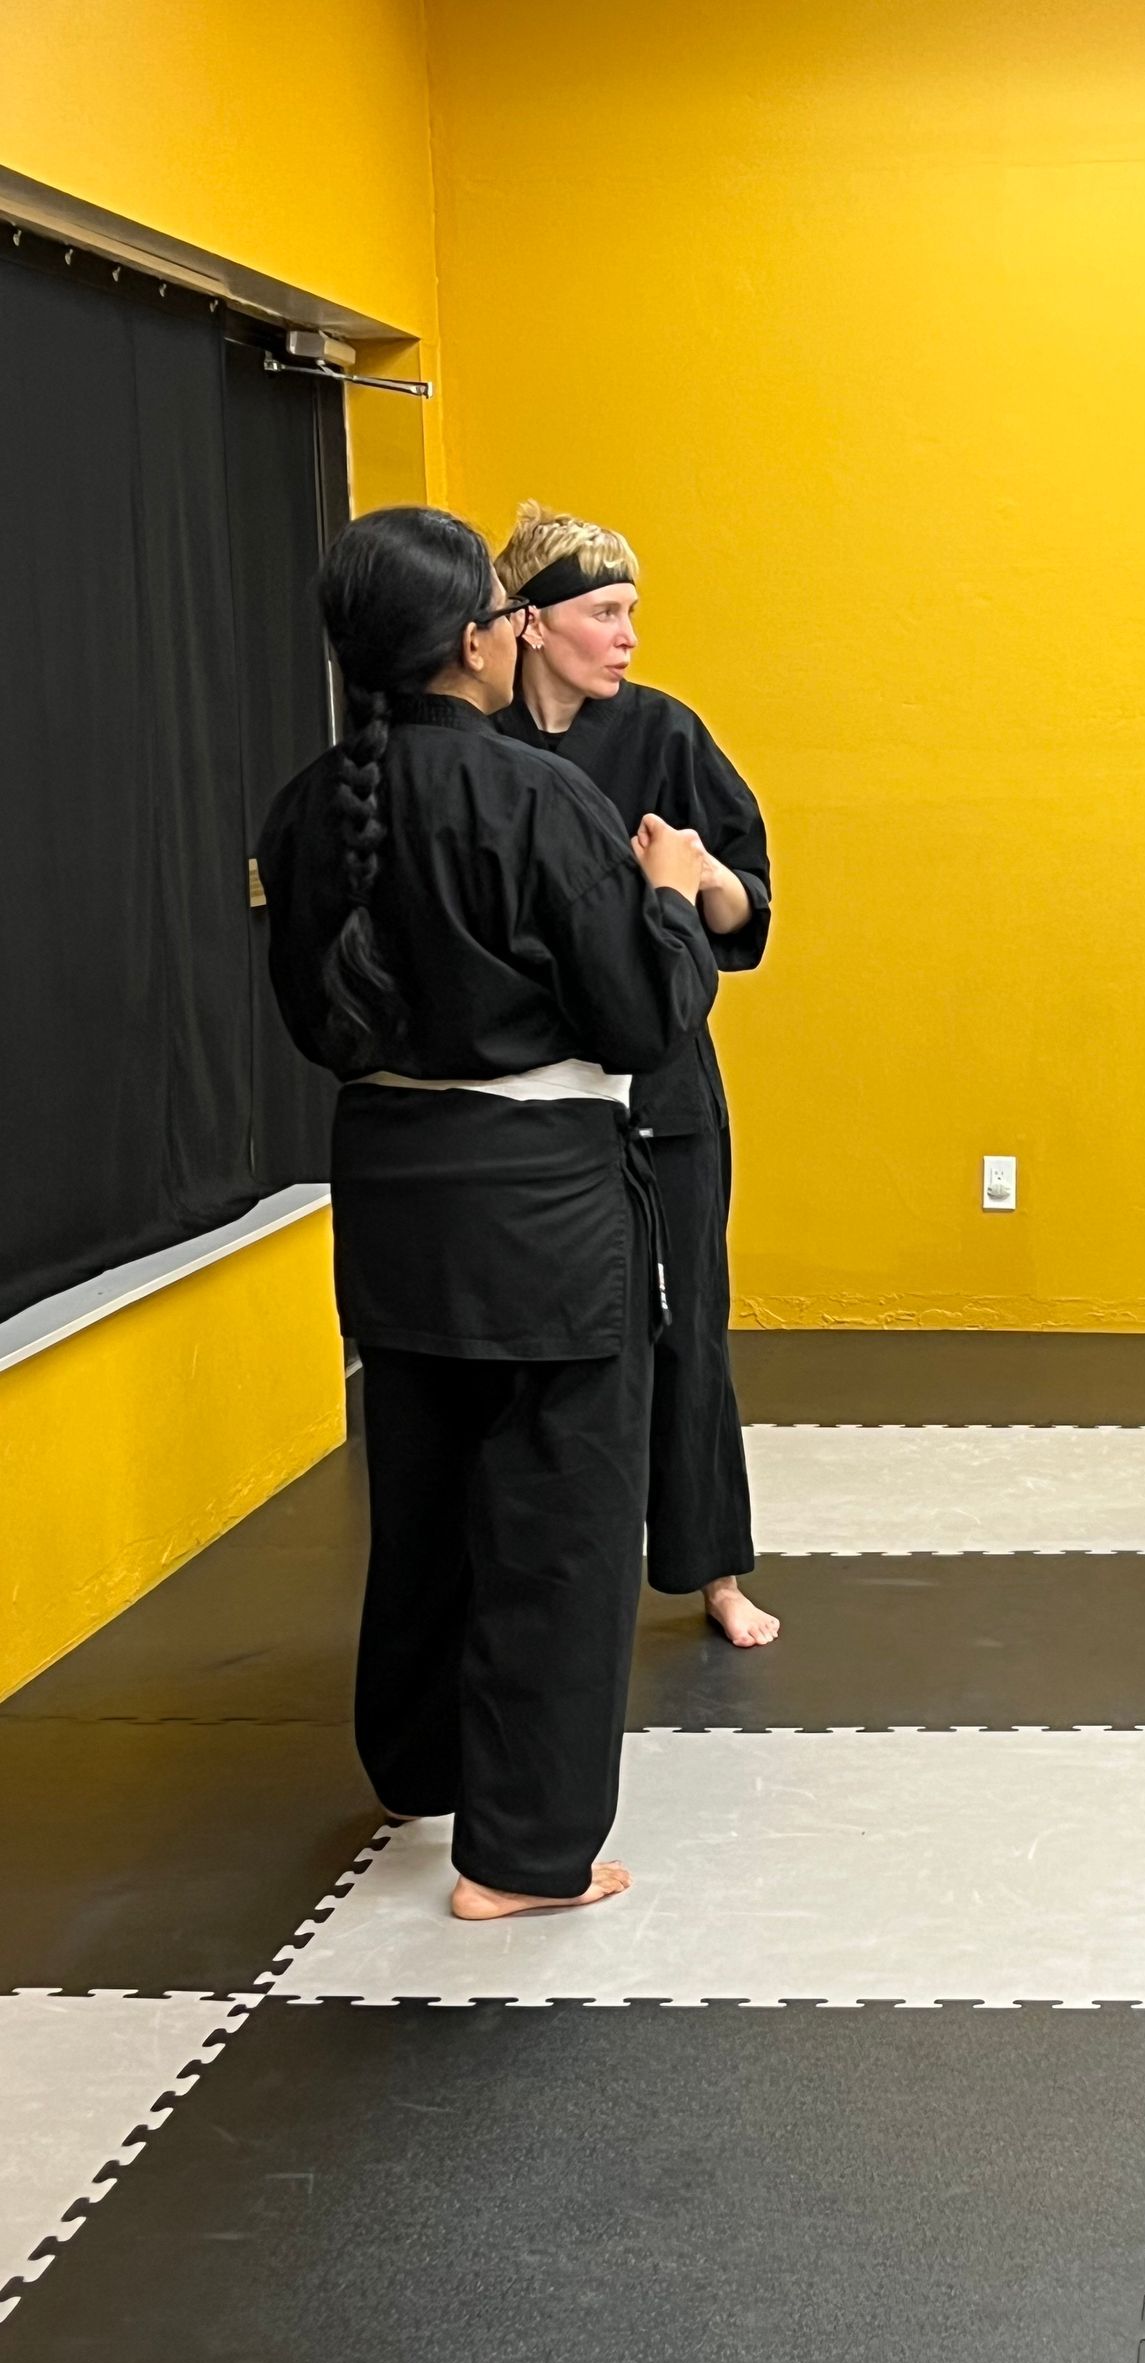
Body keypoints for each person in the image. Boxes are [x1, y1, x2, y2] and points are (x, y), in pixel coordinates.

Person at [254, 505, 716, 1917]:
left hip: (392, 1200)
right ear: (477, 639)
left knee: (427, 1496)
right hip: (543, 1220)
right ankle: (521, 1859)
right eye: (514, 620)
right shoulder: (539, 800)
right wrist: (672, 898)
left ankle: (420, 1766)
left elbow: (305, 1017)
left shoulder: (309, 808)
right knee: (559, 1532)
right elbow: (640, 1017)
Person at [492, 502, 778, 1648]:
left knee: (688, 1324)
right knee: (558, 1350)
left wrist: (698, 880)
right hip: (535, 1092)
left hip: (662, 1084)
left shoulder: (665, 733)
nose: (625, 636)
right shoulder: (481, 750)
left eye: (631, 614)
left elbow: (749, 905)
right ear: (525, 625)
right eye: (602, 614)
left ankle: (712, 1571)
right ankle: (564, 1579)